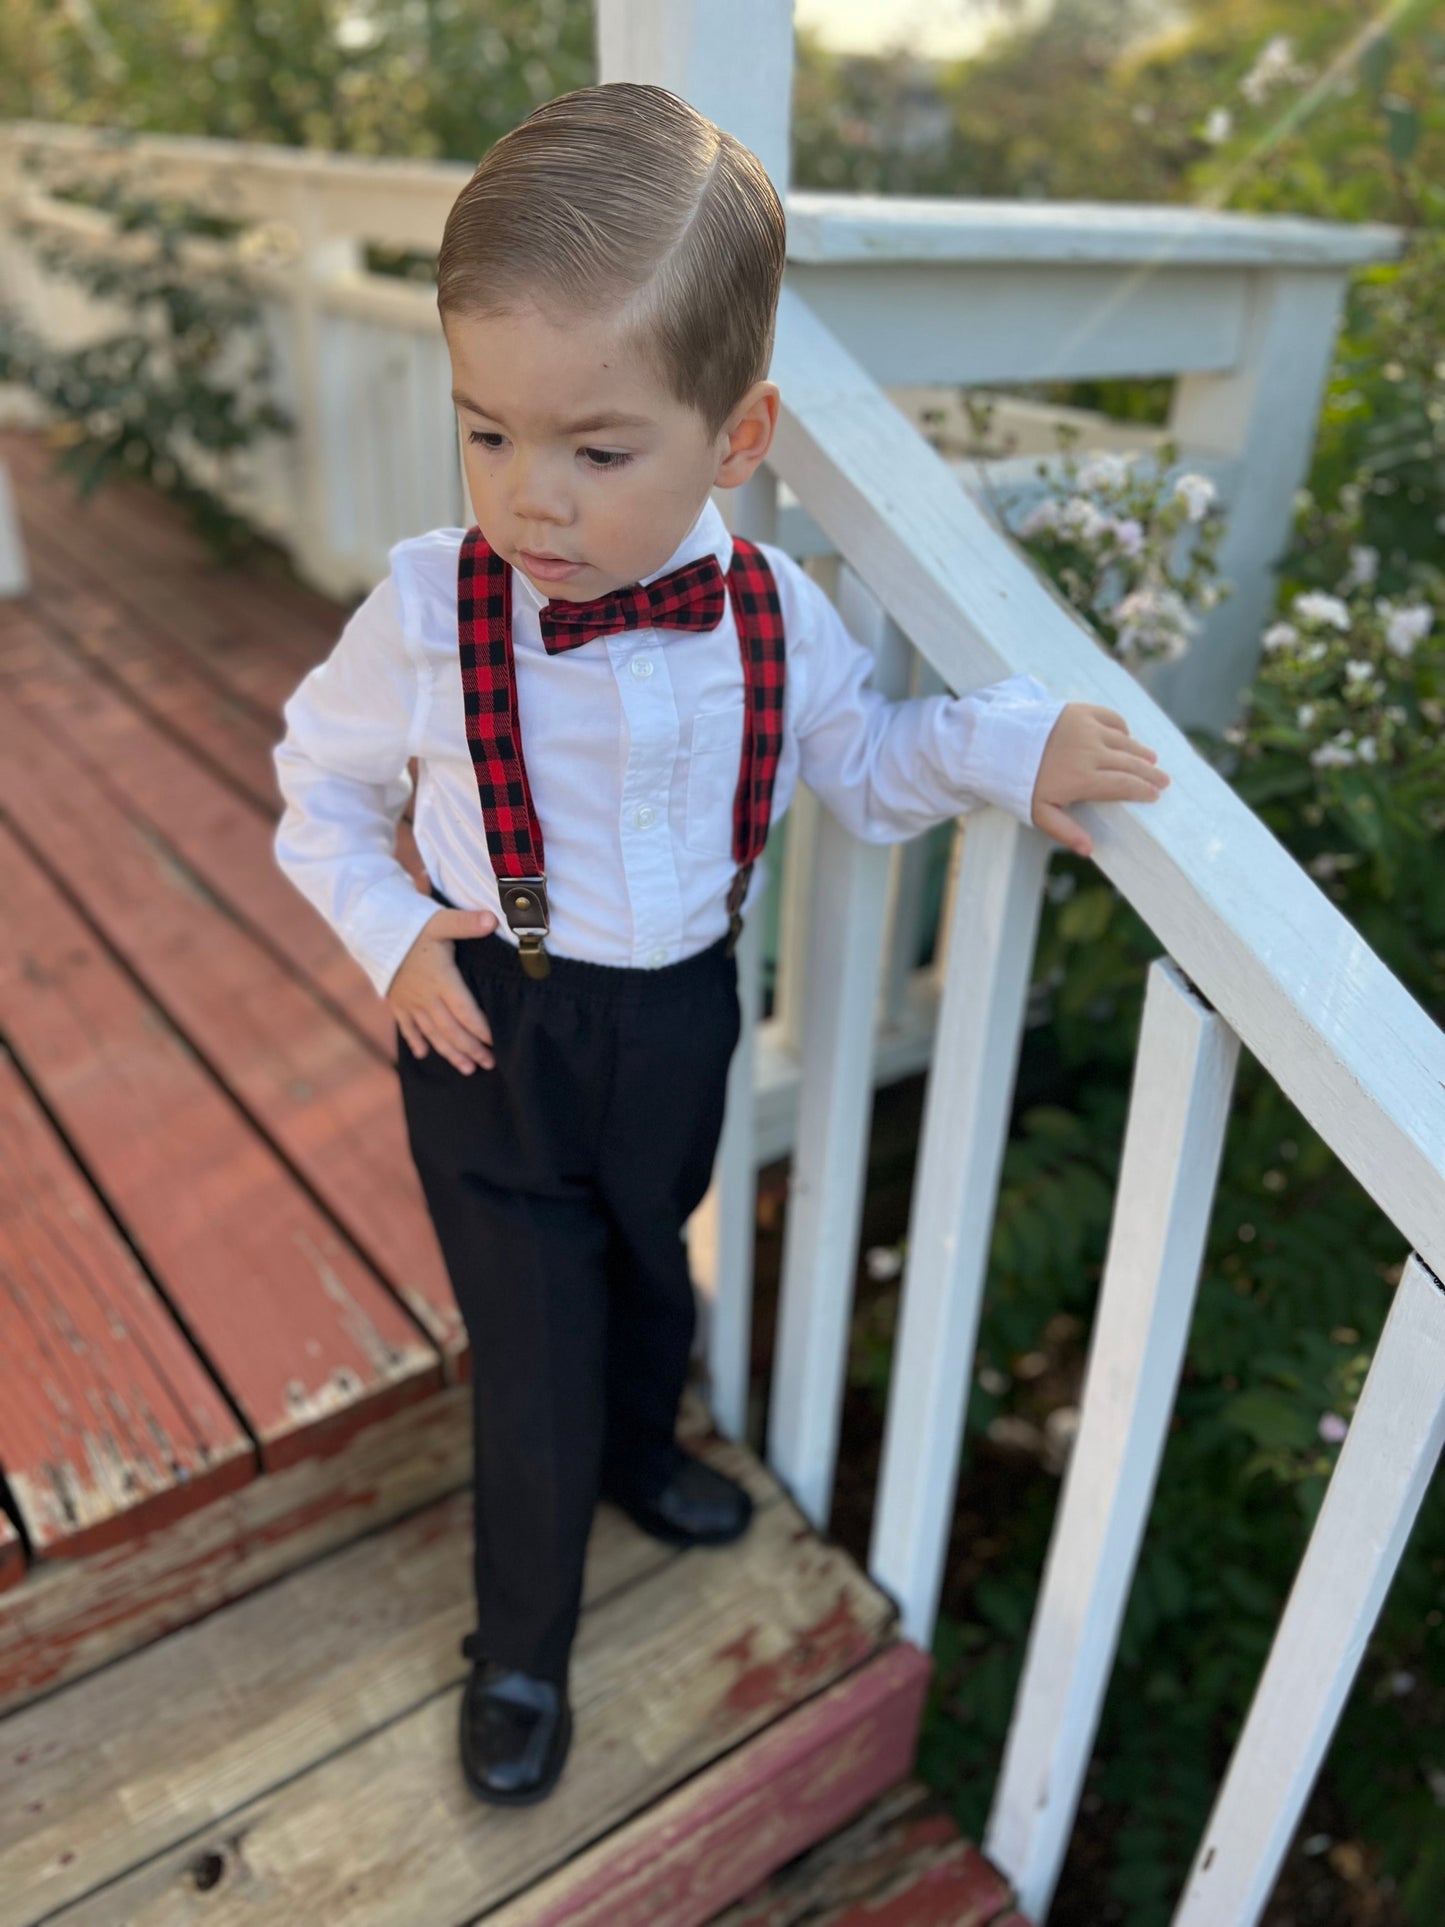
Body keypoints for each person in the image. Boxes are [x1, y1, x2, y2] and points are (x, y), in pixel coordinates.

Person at [272, 79, 1169, 1809]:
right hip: (489, 1020)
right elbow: (315, 781)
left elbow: (860, 763)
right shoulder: (429, 606)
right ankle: (521, 1646)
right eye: (486, 433)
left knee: (644, 1265)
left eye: (596, 449)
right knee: (528, 1334)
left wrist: (1005, 744)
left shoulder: (771, 613)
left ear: (735, 437)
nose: (530, 498)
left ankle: (636, 1455)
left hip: (682, 1013)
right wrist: (390, 937)